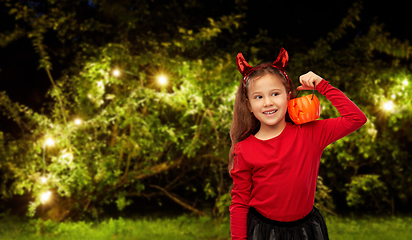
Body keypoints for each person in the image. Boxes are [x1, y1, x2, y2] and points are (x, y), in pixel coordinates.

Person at [228, 48, 367, 240]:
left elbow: (356, 119)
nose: (268, 102)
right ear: (249, 105)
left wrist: (323, 86)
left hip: (306, 231)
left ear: (288, 95)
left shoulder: (310, 133)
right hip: (264, 232)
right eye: (259, 97)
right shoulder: (244, 149)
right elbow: (239, 202)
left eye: (275, 94)